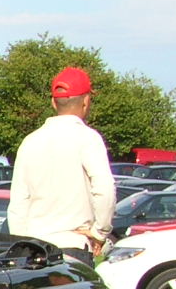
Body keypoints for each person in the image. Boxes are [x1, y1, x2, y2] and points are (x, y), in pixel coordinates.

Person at [7, 66, 115, 260]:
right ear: (86, 101)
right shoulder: (88, 138)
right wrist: (100, 232)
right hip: (71, 245)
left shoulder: (30, 141)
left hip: (33, 249)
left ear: (54, 103)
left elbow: (18, 203)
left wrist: (21, 244)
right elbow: (105, 189)